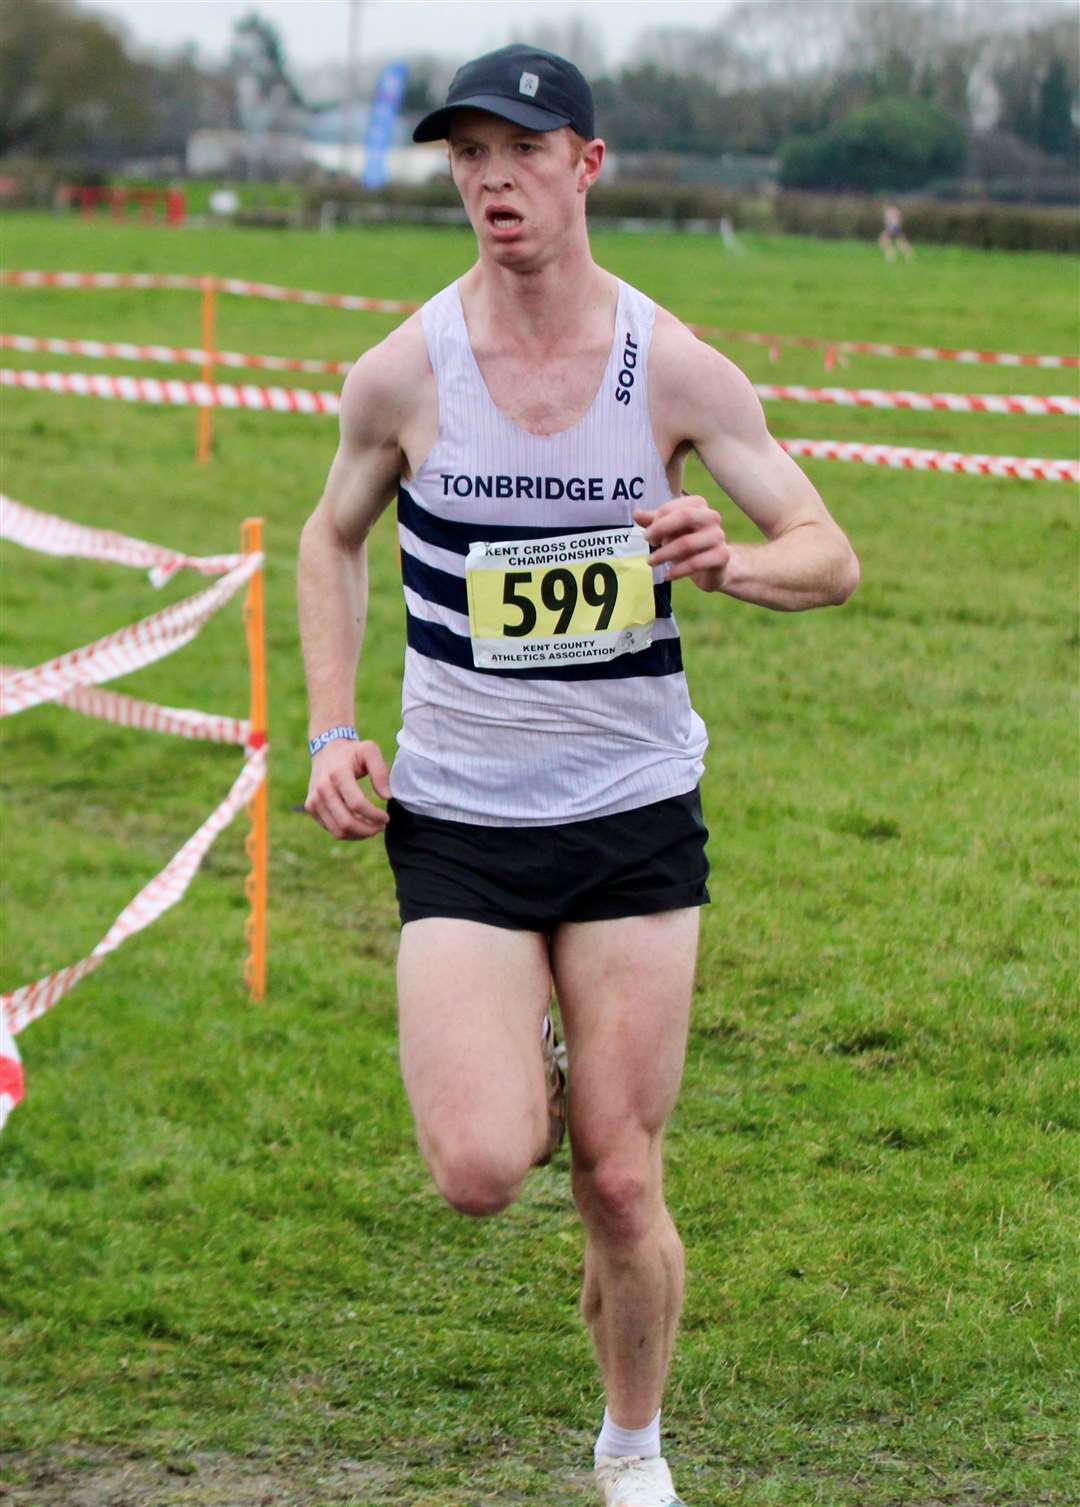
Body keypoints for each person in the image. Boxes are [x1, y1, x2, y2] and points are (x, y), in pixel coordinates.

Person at [298, 43, 859, 1507]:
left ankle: (633, 1450)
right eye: (468, 157)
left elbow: (831, 553)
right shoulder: (401, 371)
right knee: (485, 1167)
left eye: (524, 151)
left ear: (586, 166)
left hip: (629, 825)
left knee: (619, 1176)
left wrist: (730, 562)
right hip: (464, 825)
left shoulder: (669, 364)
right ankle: (533, 1053)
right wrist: (327, 727)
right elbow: (328, 538)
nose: (493, 180)